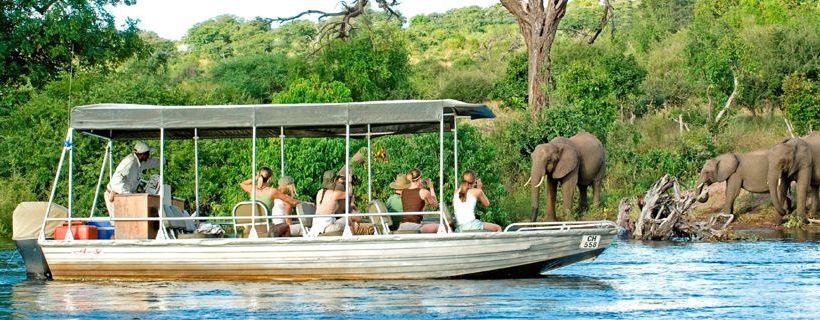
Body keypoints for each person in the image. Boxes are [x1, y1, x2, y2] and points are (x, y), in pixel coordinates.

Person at [239, 168, 301, 237]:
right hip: (267, 229)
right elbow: (292, 201)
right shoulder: (272, 191)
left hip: (251, 228)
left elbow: (242, 184)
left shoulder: (252, 189)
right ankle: (284, 247)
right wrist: (305, 203)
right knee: (286, 226)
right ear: (270, 179)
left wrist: (255, 178)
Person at [105, 141, 161, 216]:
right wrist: (128, 195)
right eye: (148, 153)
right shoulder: (130, 162)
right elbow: (116, 181)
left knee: (128, 219)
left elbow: (152, 161)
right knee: (118, 222)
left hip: (123, 196)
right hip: (115, 196)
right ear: (143, 154)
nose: (149, 155)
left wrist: (163, 161)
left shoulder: (141, 162)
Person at [399, 168, 439, 233]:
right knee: (440, 227)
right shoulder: (424, 192)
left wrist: (420, 186)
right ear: (420, 179)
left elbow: (413, 202)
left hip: (402, 225)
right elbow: (435, 205)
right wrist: (431, 188)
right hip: (414, 226)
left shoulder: (403, 192)